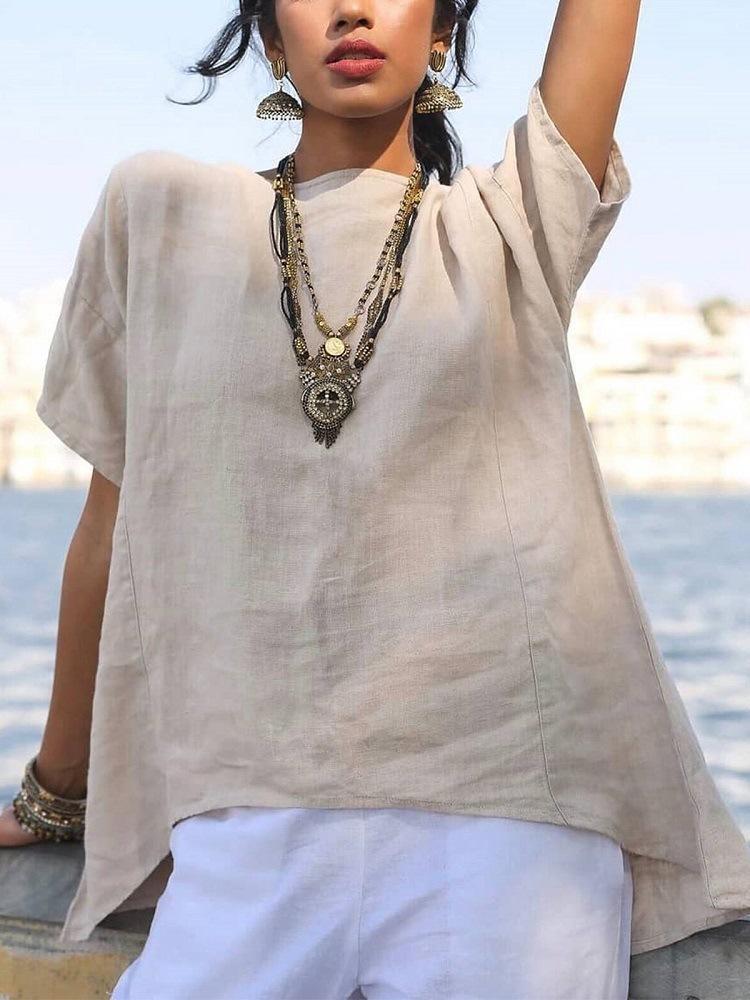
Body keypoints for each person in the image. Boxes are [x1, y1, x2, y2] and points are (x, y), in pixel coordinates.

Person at [3, 0, 750, 997]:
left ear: (442, 32)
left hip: (510, 836)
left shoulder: (512, 224)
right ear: (272, 37)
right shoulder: (160, 213)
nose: (352, 8)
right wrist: (59, 790)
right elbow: (109, 528)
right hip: (246, 820)